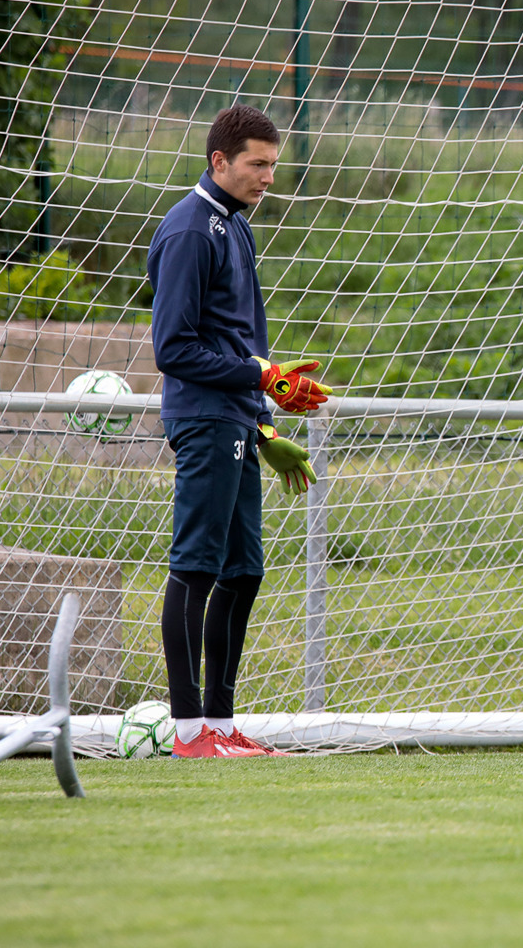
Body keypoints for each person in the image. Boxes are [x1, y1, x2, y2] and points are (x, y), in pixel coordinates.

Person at [147, 104, 333, 758]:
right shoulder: (190, 232)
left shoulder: (237, 228)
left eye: (273, 165)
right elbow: (174, 349)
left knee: (244, 570)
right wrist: (261, 381)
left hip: (237, 421)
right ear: (219, 160)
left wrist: (263, 422)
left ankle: (223, 726)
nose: (268, 177)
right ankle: (190, 731)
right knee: (196, 566)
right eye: (257, 164)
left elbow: (243, 340)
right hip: (202, 418)